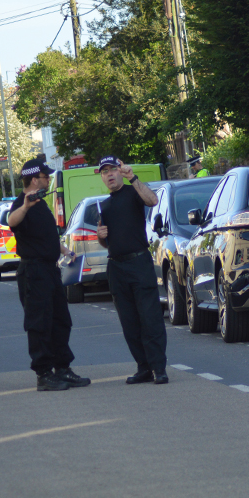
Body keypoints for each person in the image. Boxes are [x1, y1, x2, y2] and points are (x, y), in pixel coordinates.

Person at [8, 158, 90, 391]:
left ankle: (62, 368)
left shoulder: (41, 203)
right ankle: (43, 374)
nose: (48, 180)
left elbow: (46, 236)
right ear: (34, 179)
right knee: (39, 323)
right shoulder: (22, 204)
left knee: (60, 320)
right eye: (46, 177)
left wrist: (64, 250)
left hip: (49, 270)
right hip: (34, 271)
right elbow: (11, 222)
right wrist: (25, 207)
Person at [95, 155, 168, 384]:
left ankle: (158, 368)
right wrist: (100, 237)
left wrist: (133, 178)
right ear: (102, 177)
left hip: (139, 263)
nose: (109, 174)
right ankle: (143, 367)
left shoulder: (133, 192)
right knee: (129, 322)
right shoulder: (104, 205)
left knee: (150, 318)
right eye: (105, 171)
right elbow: (106, 242)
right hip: (116, 267)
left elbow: (153, 200)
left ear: (120, 171)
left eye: (112, 169)